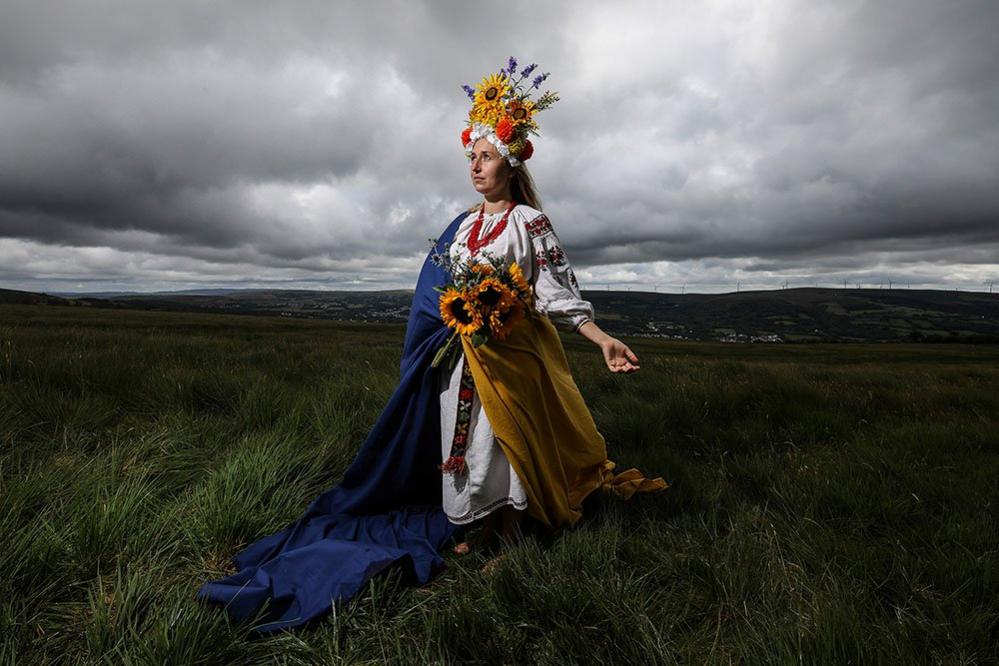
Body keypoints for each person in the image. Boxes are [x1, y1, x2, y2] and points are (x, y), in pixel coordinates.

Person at [197, 58, 667, 634]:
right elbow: (437, 288)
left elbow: (555, 292)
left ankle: (511, 534)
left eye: (486, 156)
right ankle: (480, 523)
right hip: (459, 356)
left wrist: (600, 339)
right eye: (470, 157)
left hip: (513, 359)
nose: (475, 166)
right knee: (462, 440)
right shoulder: (462, 225)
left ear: (511, 162)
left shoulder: (529, 223)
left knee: (504, 444)